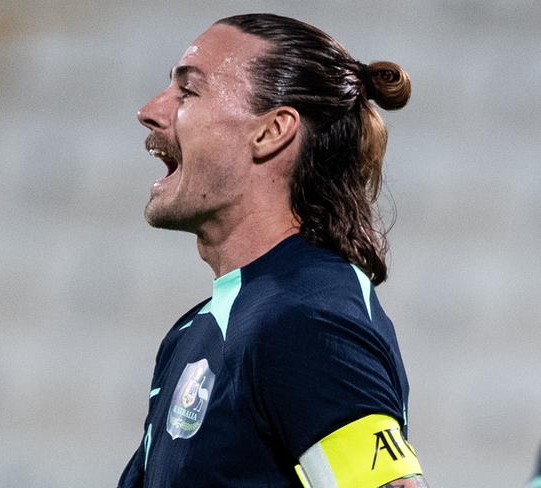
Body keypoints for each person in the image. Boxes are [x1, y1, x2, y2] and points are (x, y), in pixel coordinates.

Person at [119, 13, 428, 488]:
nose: (151, 110)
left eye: (188, 91)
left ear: (271, 131)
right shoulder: (196, 330)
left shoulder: (307, 317)